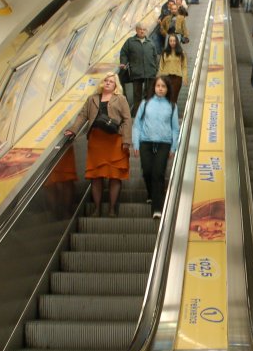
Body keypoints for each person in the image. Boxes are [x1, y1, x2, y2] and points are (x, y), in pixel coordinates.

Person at [64, 72, 132, 217]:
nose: (108, 83)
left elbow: (127, 120)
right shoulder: (92, 99)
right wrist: (73, 130)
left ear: (115, 86)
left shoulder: (120, 99)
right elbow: (83, 115)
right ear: (101, 83)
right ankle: (97, 208)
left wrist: (126, 140)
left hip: (115, 141)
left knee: (115, 175)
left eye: (111, 82)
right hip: (96, 141)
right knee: (96, 176)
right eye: (106, 80)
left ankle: (112, 208)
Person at [133, 76, 180, 218]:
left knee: (158, 173)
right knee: (147, 171)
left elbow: (175, 128)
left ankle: (157, 208)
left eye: (163, 86)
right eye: (158, 86)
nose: (160, 88)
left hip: (164, 143)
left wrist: (173, 147)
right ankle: (151, 193)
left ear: (167, 89)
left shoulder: (172, 106)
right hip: (145, 142)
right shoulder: (145, 103)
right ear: (154, 87)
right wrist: (136, 143)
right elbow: (137, 125)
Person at [119, 22, 159, 116]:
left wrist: (156, 69)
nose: (142, 31)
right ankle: (136, 114)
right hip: (136, 72)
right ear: (136, 30)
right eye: (140, 29)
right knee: (137, 95)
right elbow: (124, 53)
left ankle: (148, 113)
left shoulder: (150, 42)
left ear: (146, 31)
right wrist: (123, 63)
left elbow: (155, 56)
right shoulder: (130, 41)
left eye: (144, 29)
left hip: (150, 72)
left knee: (149, 94)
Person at [159, 33, 188, 104]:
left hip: (177, 78)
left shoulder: (181, 53)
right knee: (166, 98)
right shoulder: (164, 53)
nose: (172, 42)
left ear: (177, 42)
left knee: (174, 98)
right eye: (170, 41)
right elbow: (161, 66)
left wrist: (185, 77)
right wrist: (159, 78)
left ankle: (173, 113)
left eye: (174, 41)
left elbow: (184, 66)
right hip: (166, 78)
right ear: (168, 42)